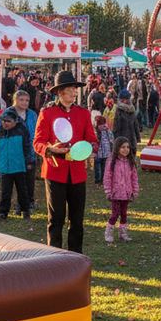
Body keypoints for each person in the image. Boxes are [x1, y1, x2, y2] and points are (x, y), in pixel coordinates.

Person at [33, 71, 98, 253]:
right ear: (60, 92)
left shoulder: (83, 113)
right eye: (70, 90)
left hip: (77, 172)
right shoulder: (47, 113)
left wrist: (90, 149)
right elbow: (37, 142)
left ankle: (75, 255)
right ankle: (53, 255)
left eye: (75, 90)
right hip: (55, 171)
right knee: (56, 218)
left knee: (77, 219)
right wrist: (50, 149)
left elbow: (92, 140)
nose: (74, 93)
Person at [0, 107, 35, 219]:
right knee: (5, 192)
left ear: (15, 121)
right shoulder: (0, 131)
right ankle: (2, 213)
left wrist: (29, 161)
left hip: (19, 166)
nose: (5, 123)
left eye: (8, 121)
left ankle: (25, 210)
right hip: (5, 167)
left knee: (22, 190)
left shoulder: (22, 130)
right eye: (3, 120)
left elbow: (27, 147)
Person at [103, 136, 140, 243]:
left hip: (127, 193)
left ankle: (123, 233)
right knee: (115, 214)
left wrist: (135, 190)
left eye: (127, 147)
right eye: (123, 147)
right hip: (115, 193)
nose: (126, 149)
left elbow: (134, 177)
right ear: (117, 148)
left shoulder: (130, 162)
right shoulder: (112, 161)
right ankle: (109, 232)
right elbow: (107, 177)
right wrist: (108, 191)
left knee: (124, 214)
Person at [9, 89, 39, 213]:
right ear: (15, 100)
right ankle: (20, 204)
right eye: (21, 100)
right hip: (14, 151)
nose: (24, 102)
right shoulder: (8, 114)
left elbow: (37, 131)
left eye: (27, 100)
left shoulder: (32, 114)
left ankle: (30, 201)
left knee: (29, 179)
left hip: (30, 151)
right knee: (18, 179)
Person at [94, 115, 114, 184]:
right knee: (100, 167)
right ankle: (99, 180)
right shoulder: (99, 131)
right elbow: (111, 139)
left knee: (101, 166)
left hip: (102, 151)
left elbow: (111, 139)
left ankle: (100, 179)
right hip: (101, 152)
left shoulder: (105, 131)